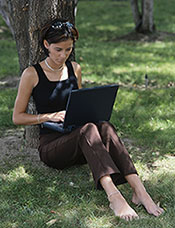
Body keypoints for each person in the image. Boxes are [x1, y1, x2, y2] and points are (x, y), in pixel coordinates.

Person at [13, 18, 164, 221]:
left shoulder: (75, 68)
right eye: (58, 49)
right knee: (88, 130)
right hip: (52, 147)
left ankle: (140, 191)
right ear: (46, 45)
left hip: (82, 144)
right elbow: (17, 117)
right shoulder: (32, 74)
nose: (63, 55)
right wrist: (49, 116)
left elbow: (80, 105)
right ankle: (114, 197)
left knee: (104, 126)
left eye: (68, 50)